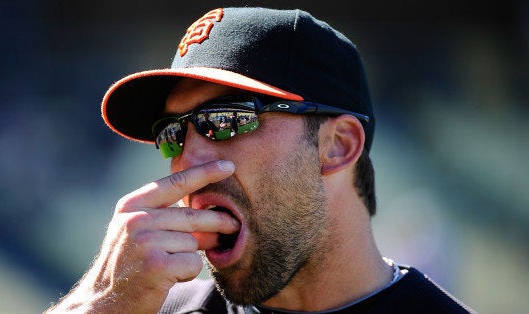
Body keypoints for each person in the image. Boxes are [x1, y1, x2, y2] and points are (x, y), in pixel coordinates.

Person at [46, 7, 475, 313]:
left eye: (227, 120)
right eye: (172, 134)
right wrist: (101, 305)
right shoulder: (144, 310)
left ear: (337, 146)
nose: (188, 160)